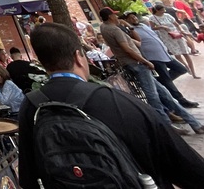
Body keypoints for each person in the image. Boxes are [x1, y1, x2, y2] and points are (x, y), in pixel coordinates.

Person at [18, 23, 204, 189]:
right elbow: (185, 165)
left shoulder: (32, 107)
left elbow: (28, 176)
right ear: (78, 57)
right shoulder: (119, 101)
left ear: (41, 62)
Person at [99, 7, 203, 133]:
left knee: (164, 93)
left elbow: (136, 43)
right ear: (110, 16)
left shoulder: (104, 28)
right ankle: (167, 125)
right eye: (114, 15)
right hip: (136, 63)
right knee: (153, 96)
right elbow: (127, 48)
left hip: (133, 63)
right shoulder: (114, 30)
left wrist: (128, 30)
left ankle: (193, 123)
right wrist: (145, 61)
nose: (117, 17)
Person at [122, 12, 198, 108]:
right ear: (126, 21)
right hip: (152, 57)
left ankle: (159, 82)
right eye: (130, 18)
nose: (134, 19)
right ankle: (181, 100)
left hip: (163, 53)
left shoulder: (143, 25)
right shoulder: (129, 31)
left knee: (181, 69)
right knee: (166, 78)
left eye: (134, 17)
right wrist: (128, 26)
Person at [149, 2, 198, 78]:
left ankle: (193, 72)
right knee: (177, 55)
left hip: (176, 34)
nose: (164, 11)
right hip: (167, 37)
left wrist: (181, 30)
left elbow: (176, 24)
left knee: (185, 53)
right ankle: (186, 68)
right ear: (157, 11)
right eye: (162, 10)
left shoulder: (167, 15)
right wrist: (161, 27)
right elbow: (152, 28)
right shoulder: (152, 18)